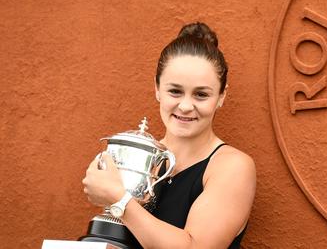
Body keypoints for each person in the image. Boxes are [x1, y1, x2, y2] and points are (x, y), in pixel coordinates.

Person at [82, 22, 256, 249]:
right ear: (157, 89)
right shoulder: (142, 161)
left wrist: (118, 199)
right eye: (175, 91)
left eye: (201, 94)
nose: (185, 106)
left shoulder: (233, 167)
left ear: (222, 96)